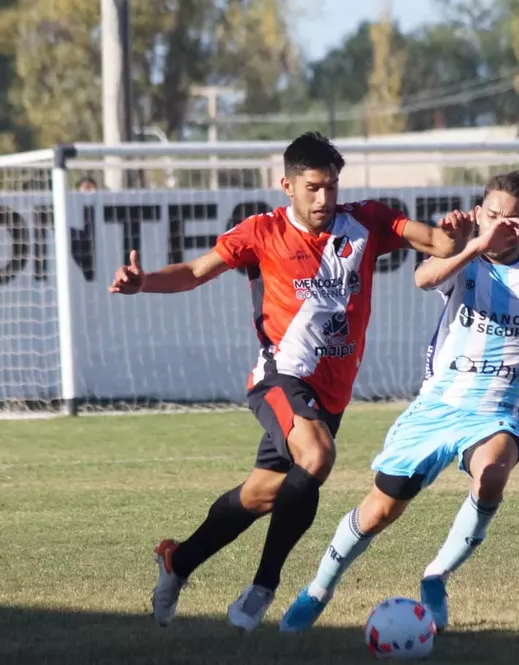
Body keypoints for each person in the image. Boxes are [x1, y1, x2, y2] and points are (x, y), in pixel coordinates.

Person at [109, 131, 471, 632]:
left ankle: (178, 561)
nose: (324, 198)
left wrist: (457, 234)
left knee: (264, 494)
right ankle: (263, 587)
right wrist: (144, 282)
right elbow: (194, 271)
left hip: (331, 393)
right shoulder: (262, 231)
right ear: (288, 186)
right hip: (279, 377)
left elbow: (438, 243)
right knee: (317, 457)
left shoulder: (366, 221)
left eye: (331, 187)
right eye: (313, 187)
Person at [279, 171, 519, 634]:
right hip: (436, 408)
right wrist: (473, 245)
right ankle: (319, 589)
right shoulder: (465, 258)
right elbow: (424, 278)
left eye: (513, 220)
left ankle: (436, 576)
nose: (502, 225)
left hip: (496, 413)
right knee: (380, 511)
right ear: (479, 215)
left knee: (492, 474)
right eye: (494, 215)